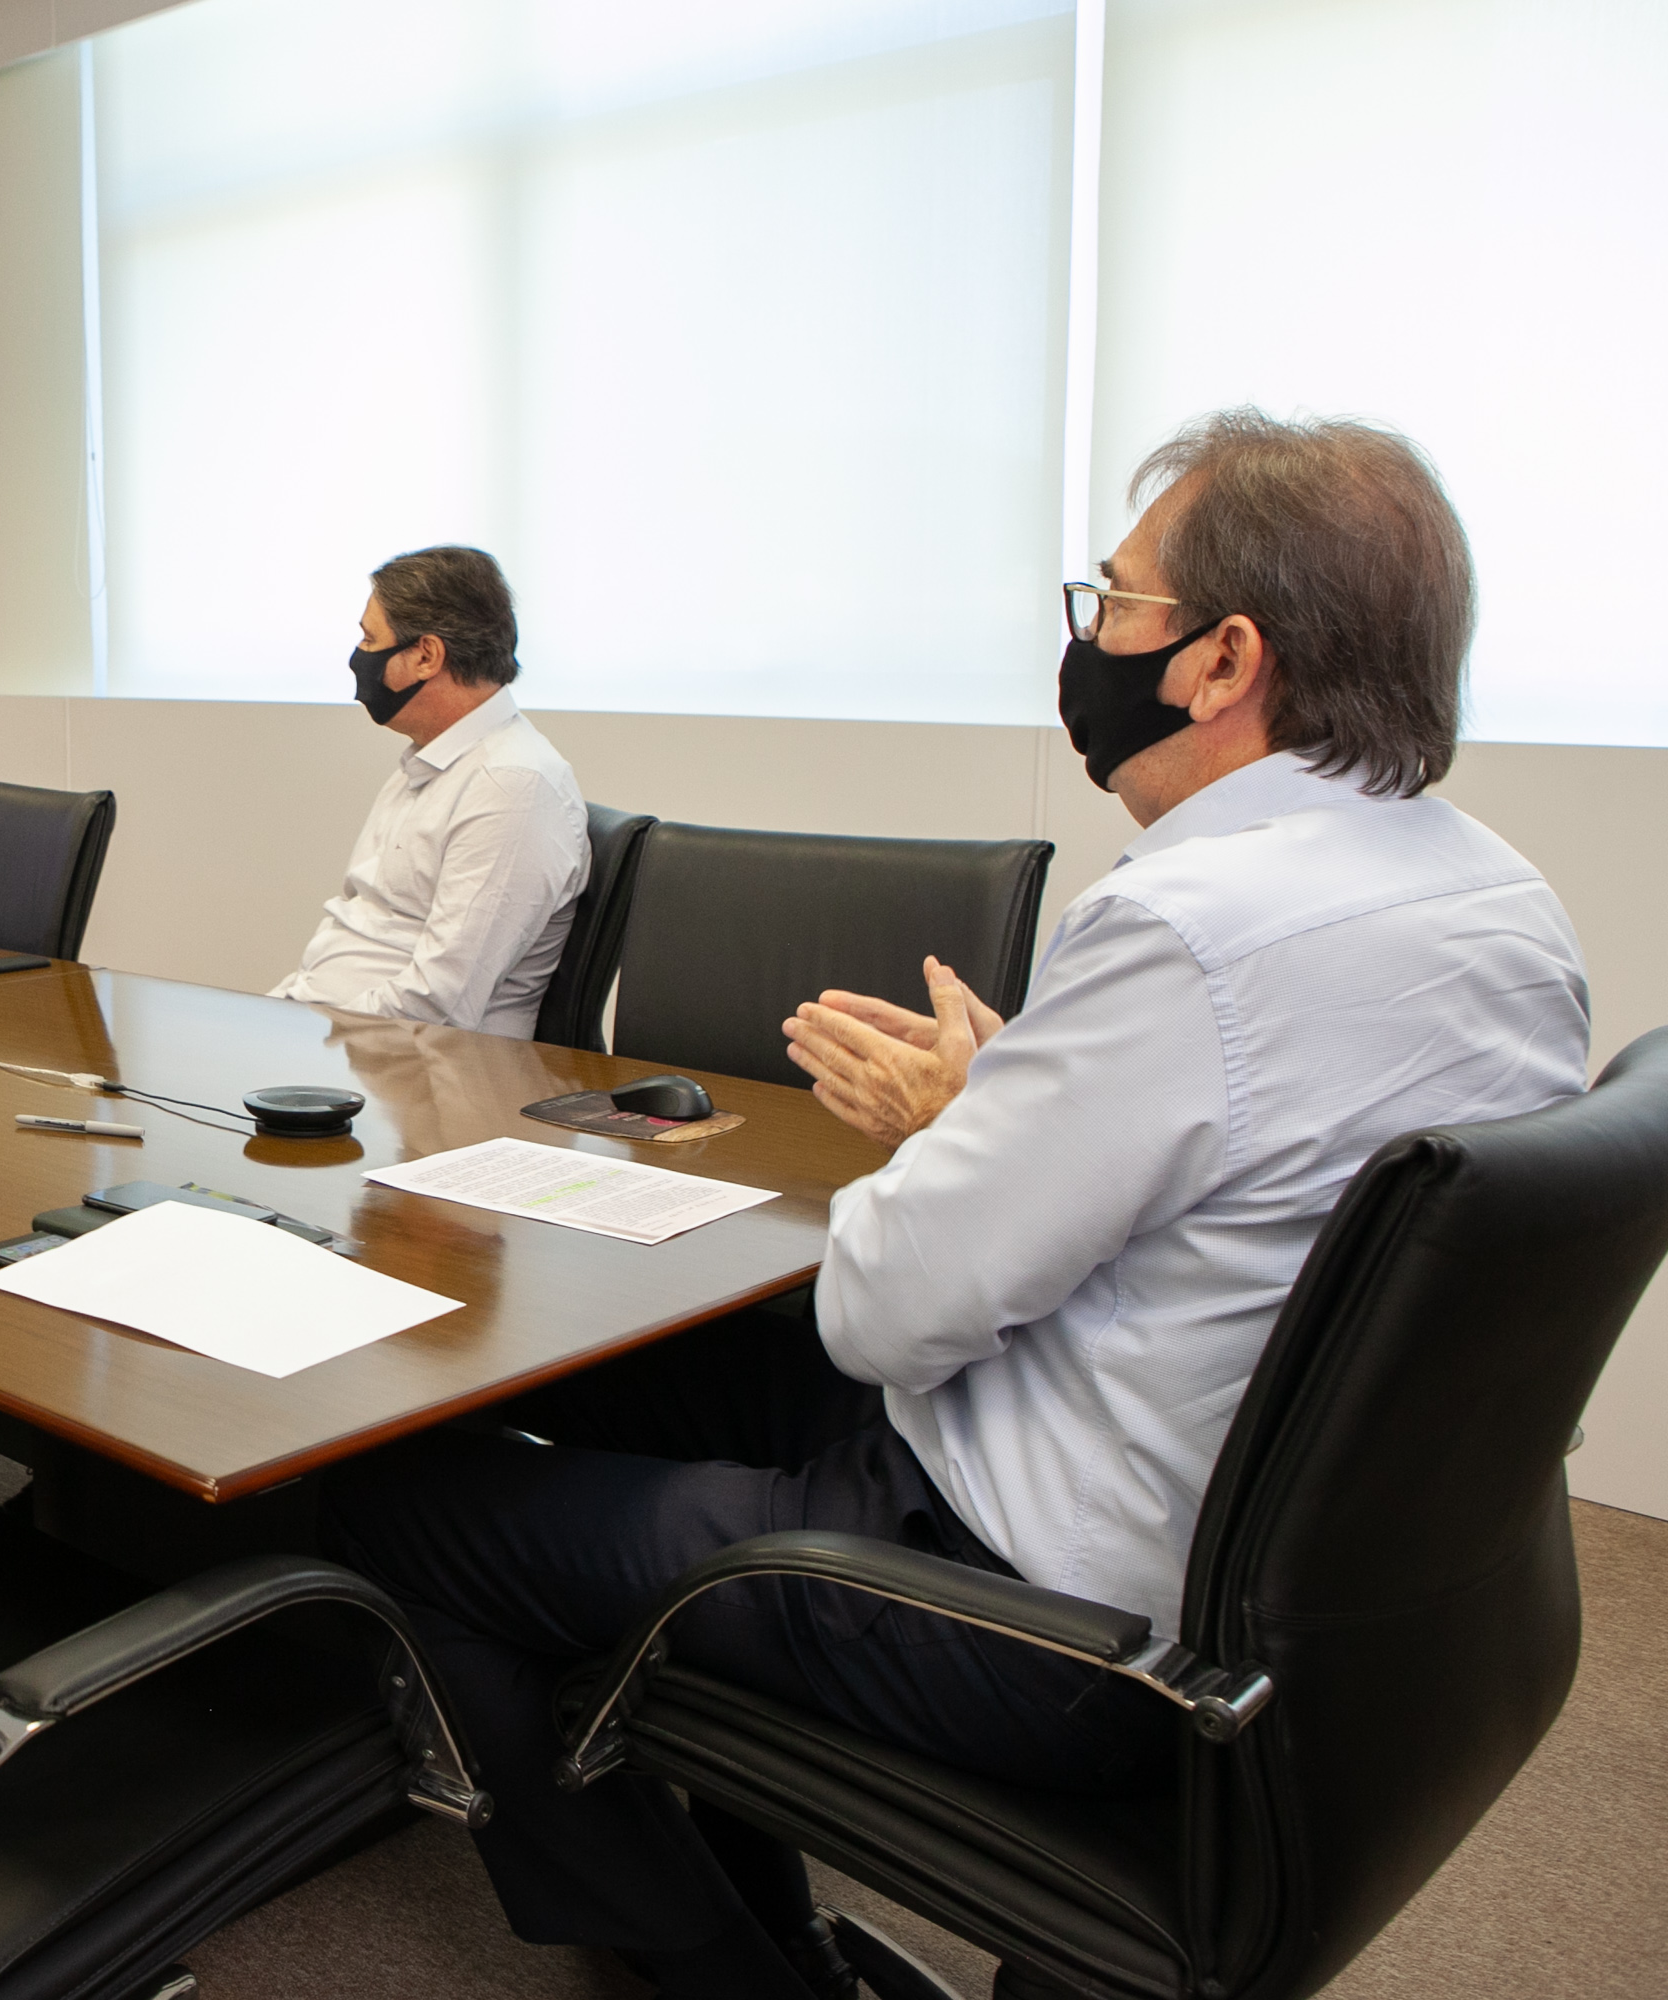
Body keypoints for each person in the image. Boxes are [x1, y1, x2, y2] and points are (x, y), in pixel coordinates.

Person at [318, 412, 1591, 1999]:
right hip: (1266, 1578)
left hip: (1029, 1606)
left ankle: (729, 1974)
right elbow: (1235, 1184)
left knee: (399, 1506)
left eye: (1113, 601)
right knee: (611, 1374)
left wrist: (951, 1128)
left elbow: (879, 1318)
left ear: (1222, 660)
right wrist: (1011, 1112)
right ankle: (727, 1853)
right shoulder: (1503, 904)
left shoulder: (1193, 925)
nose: (1091, 639)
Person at [271, 546, 589, 1038]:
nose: (359, 656)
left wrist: (313, 1038)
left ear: (426, 656)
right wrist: (273, 1017)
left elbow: (440, 1001)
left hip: (413, 1065)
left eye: (369, 639)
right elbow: (359, 928)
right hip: (344, 1037)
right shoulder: (428, 762)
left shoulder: (511, 786)